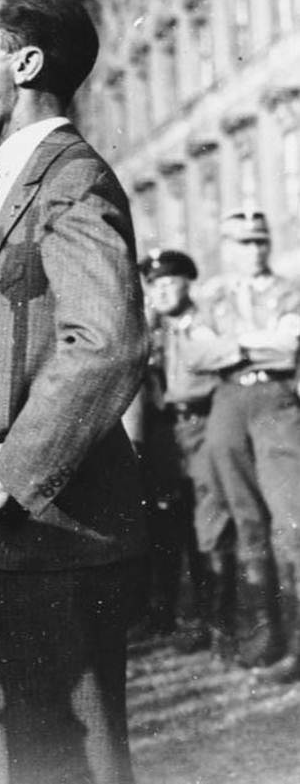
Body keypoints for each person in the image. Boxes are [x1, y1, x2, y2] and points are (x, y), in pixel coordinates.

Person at [0, 0, 148, 784]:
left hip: (53, 528)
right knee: (28, 750)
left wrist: (17, 467)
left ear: (24, 63)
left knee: (71, 760)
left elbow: (106, 341)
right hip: (18, 532)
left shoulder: (69, 175)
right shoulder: (14, 178)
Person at [188, 210, 300, 680]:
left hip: (275, 401)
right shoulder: (208, 297)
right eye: (243, 243)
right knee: (244, 522)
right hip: (228, 403)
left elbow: (288, 349)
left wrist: (233, 344)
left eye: (260, 241)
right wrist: (256, 343)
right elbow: (198, 355)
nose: (253, 251)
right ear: (226, 247)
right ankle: (265, 638)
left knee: (290, 519)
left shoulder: (290, 291)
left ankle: (295, 643)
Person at [137, 249, 218, 649]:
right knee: (164, 522)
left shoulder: (203, 323)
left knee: (204, 521)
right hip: (162, 433)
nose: (163, 292)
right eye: (156, 285)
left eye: (171, 282)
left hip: (199, 424)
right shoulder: (149, 330)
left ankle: (208, 613)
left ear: (188, 284)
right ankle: (164, 610)